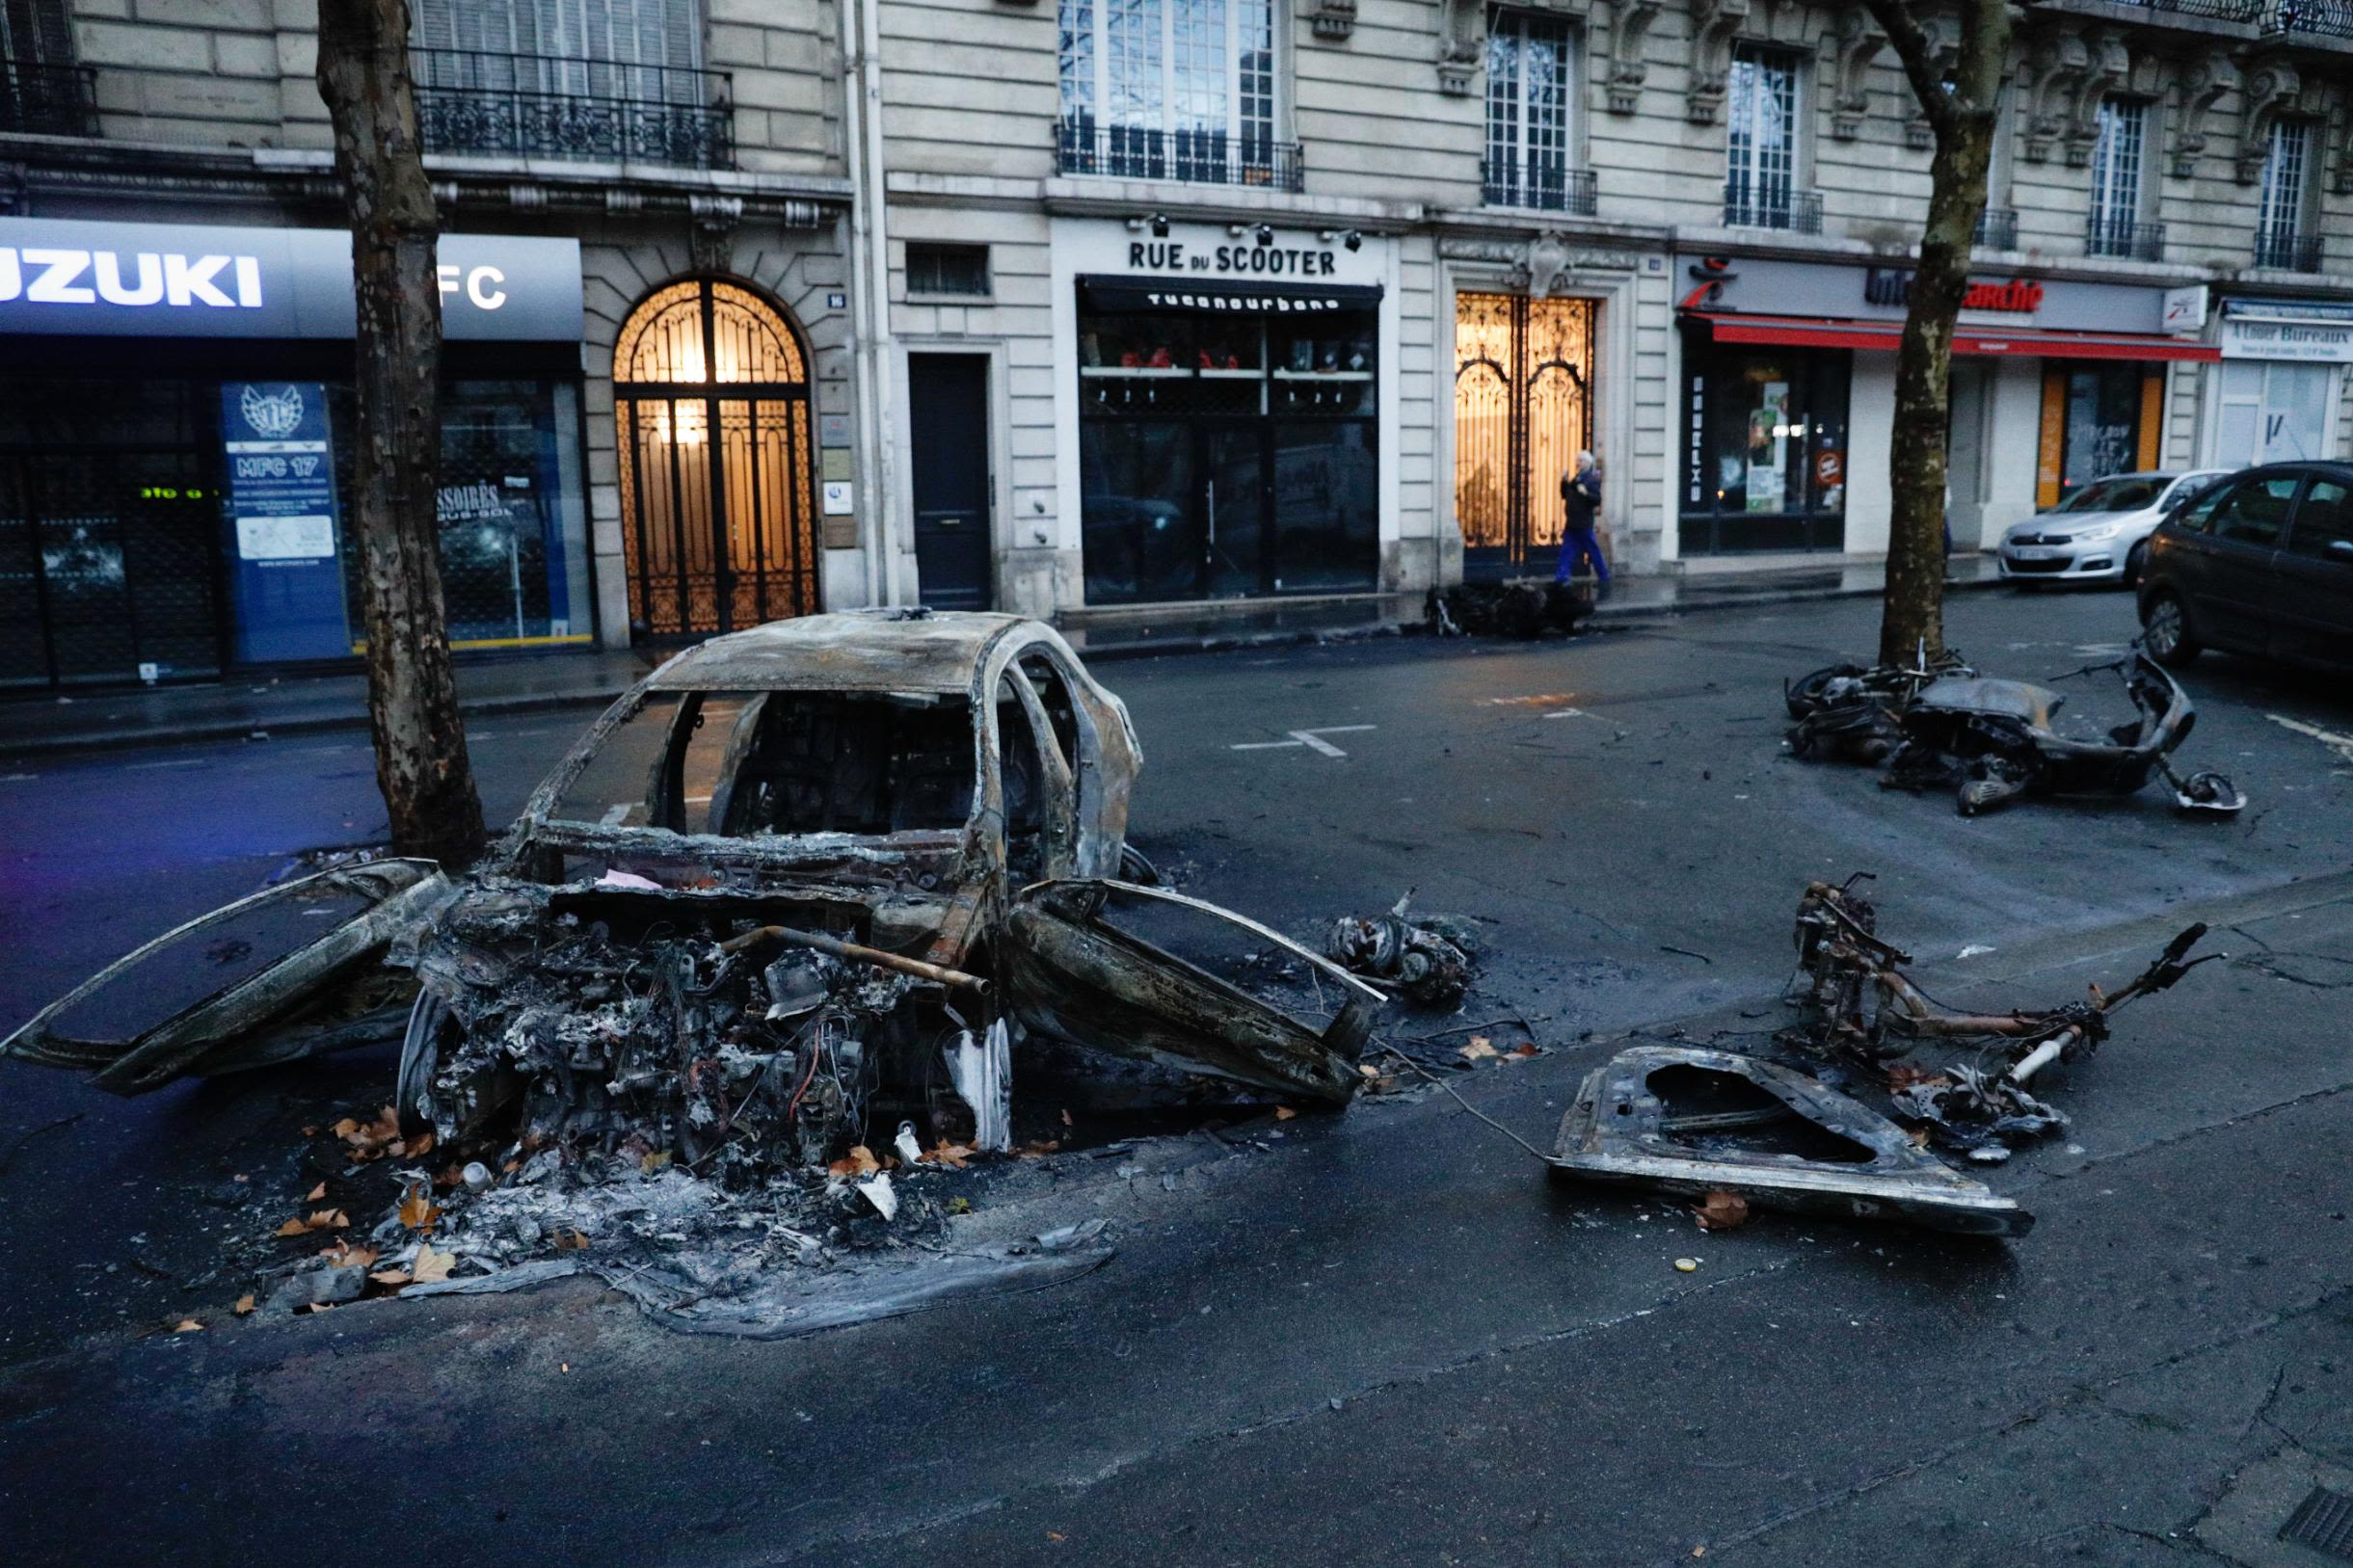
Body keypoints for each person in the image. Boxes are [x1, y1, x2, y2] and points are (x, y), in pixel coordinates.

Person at [1556, 451, 1609, 588]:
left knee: (1593, 551)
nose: (1577, 463)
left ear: (1587, 463)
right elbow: (1565, 495)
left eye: (1580, 460)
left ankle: (1603, 576)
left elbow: (1597, 499)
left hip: (1584, 523)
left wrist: (1586, 493)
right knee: (1566, 551)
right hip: (1572, 523)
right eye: (1577, 460)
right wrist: (1563, 481)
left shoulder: (1592, 478)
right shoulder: (1577, 478)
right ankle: (1562, 578)